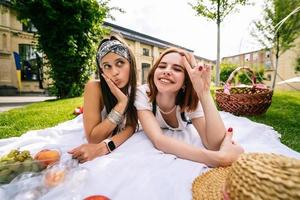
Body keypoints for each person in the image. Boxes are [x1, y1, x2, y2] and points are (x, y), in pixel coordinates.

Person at [135, 47, 244, 167]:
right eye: (162, 66)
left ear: (186, 81)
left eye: (177, 69)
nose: (167, 71)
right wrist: (219, 159)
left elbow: (214, 144)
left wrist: (204, 92)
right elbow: (159, 140)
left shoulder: (189, 101)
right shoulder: (142, 93)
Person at [68, 34, 138, 163]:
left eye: (120, 63)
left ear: (130, 64)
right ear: (101, 70)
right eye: (107, 66)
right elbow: (93, 139)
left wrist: (104, 147)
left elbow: (131, 127)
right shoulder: (94, 87)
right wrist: (121, 104)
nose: (114, 72)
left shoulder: (137, 91)